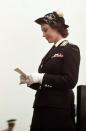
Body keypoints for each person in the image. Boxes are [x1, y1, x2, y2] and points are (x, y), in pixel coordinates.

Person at [19, 10, 80, 131]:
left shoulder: (70, 49)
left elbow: (70, 80)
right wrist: (31, 81)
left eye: (45, 29)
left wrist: (41, 77)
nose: (43, 34)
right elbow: (48, 84)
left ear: (56, 27)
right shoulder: (51, 52)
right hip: (41, 109)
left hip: (58, 112)